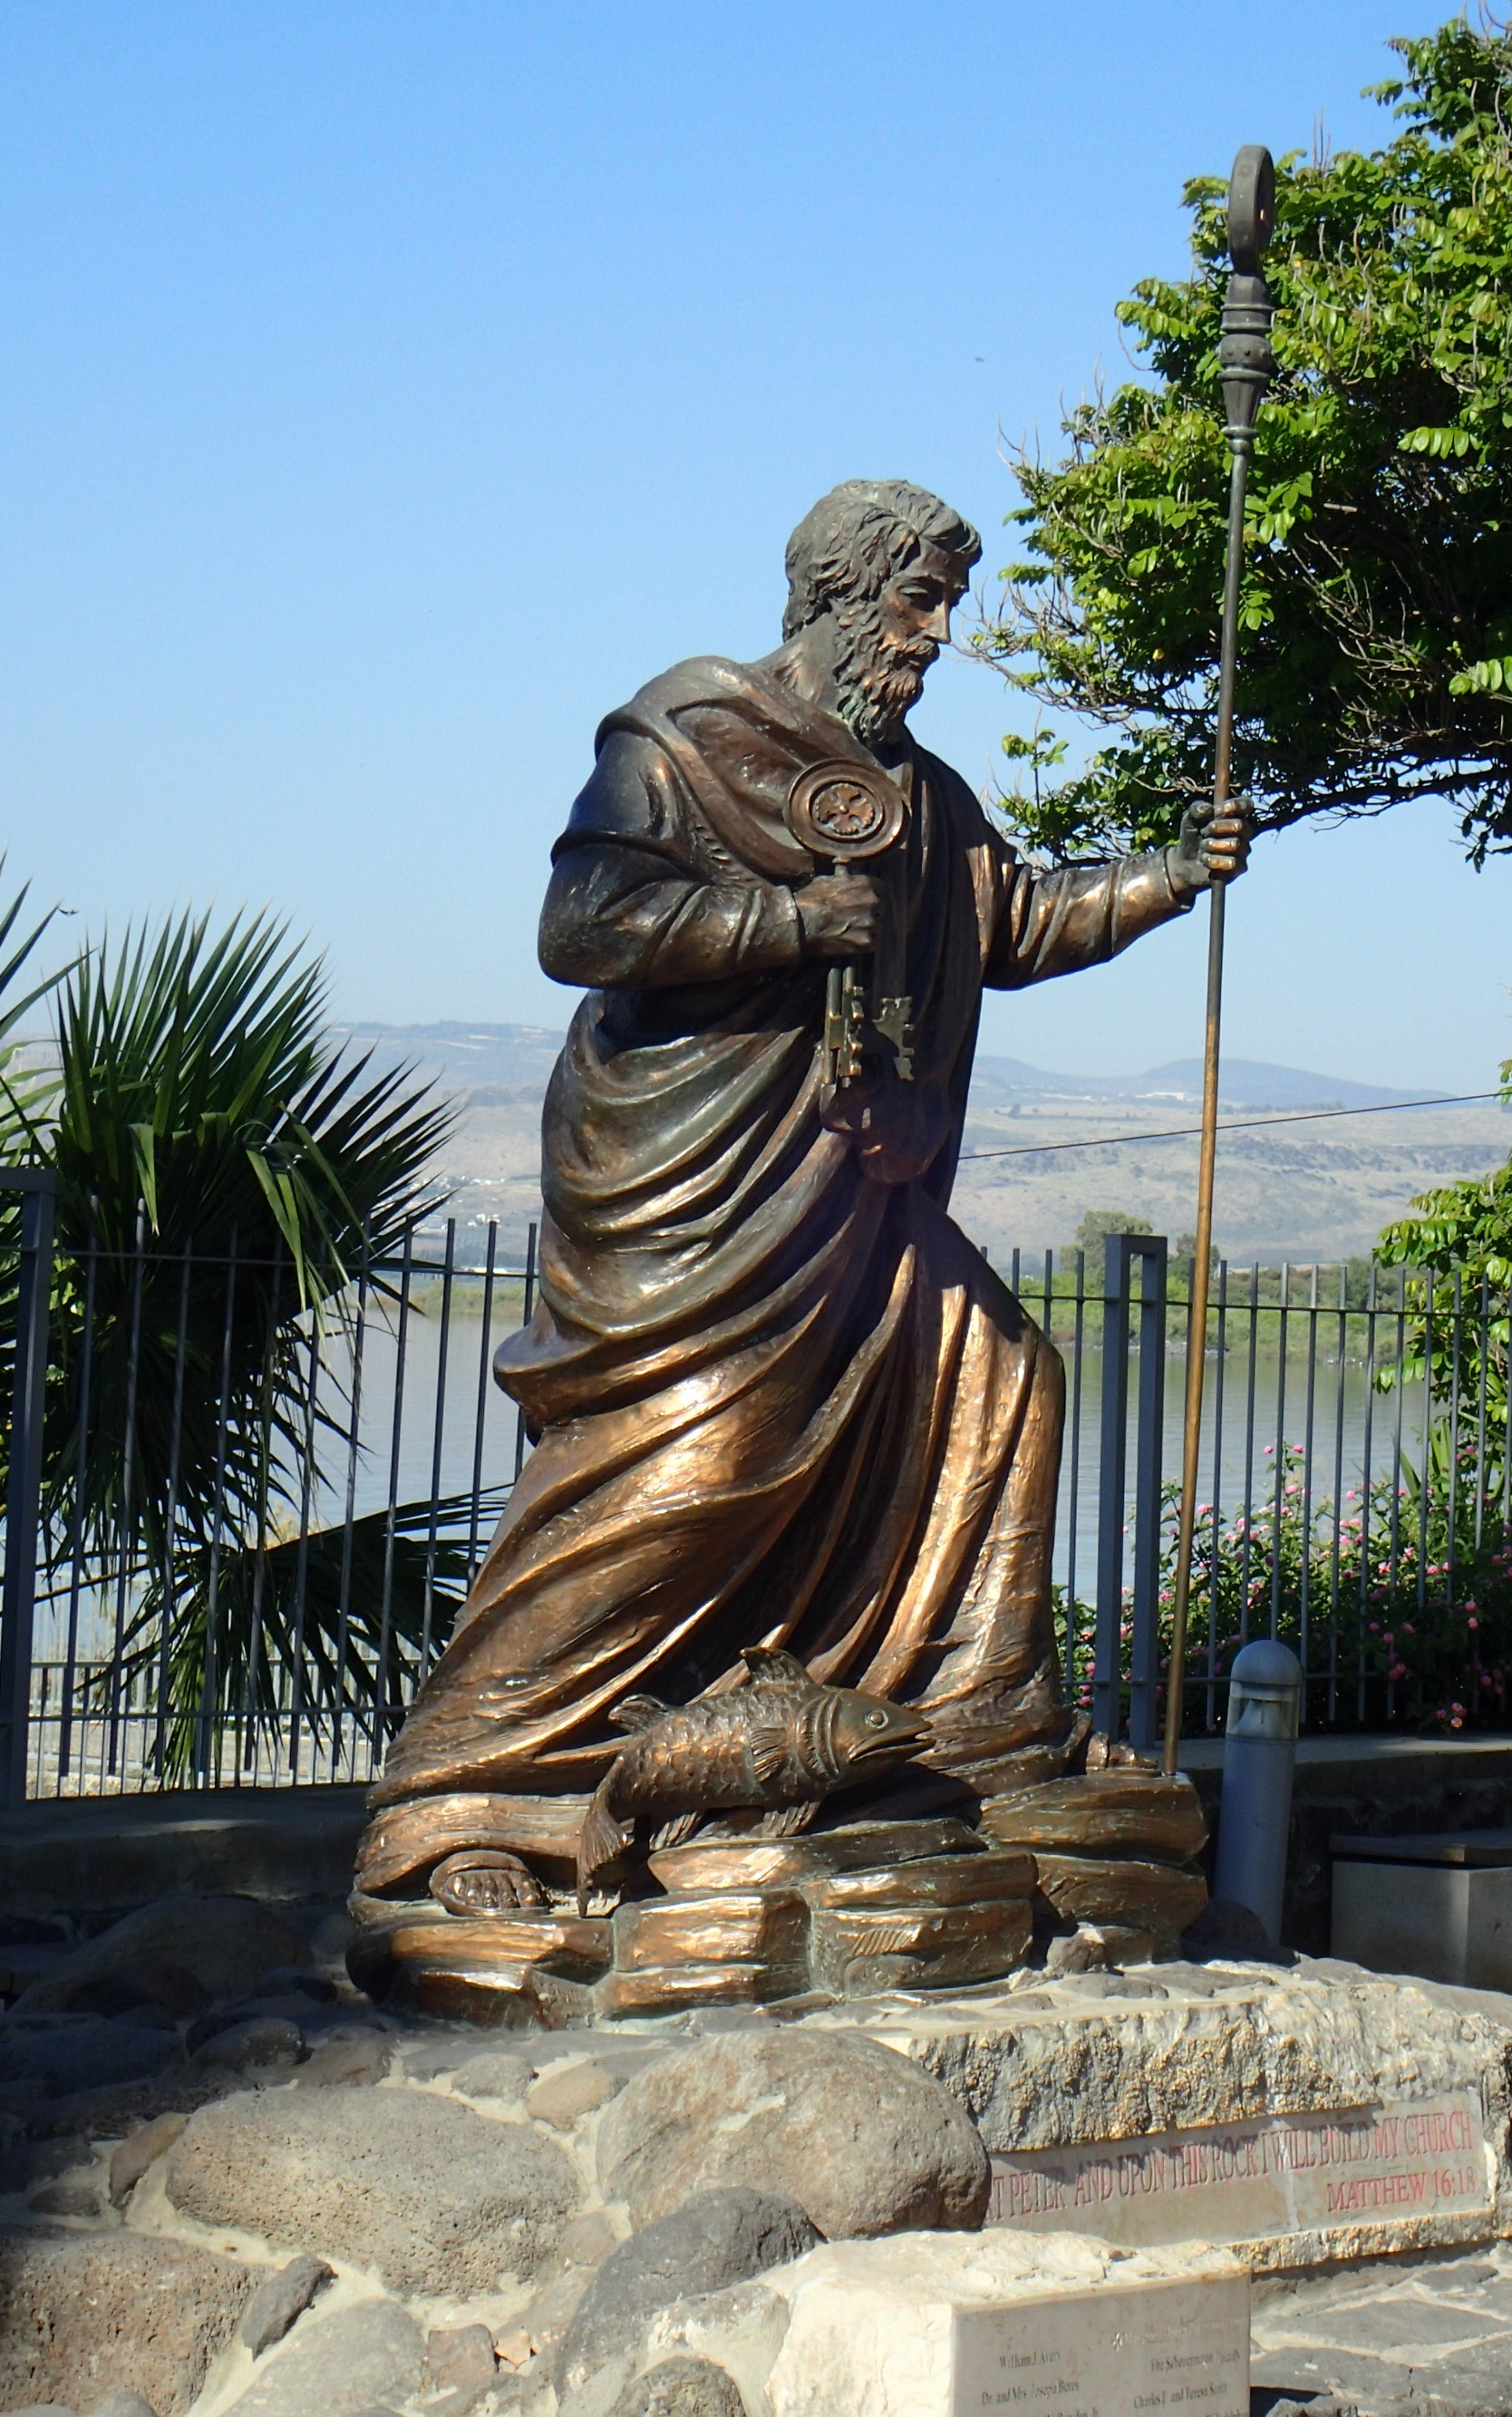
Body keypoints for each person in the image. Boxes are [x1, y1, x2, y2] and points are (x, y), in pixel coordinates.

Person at [357, 478, 1250, 1913]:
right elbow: (579, 925)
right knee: (680, 1474)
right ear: (839, 598)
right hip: (694, 1191)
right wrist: (777, 918)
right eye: (919, 602)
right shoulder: (690, 731)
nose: (939, 635)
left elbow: (1010, 921)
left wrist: (1165, 876)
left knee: (1002, 1376)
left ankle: (970, 1734)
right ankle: (470, 1792)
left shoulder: (928, 796)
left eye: (948, 605)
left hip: (855, 1197)